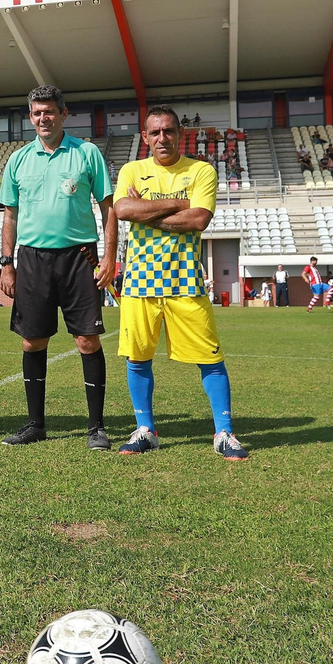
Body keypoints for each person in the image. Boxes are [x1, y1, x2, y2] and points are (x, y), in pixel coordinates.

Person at [111, 106, 247, 460]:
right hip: (139, 282)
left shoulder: (200, 170)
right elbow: (123, 211)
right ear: (145, 137)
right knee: (137, 359)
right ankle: (145, 429)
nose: (162, 138)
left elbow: (199, 219)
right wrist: (178, 204)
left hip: (186, 280)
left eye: (168, 131)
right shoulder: (132, 170)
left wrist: (150, 211)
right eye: (154, 132)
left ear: (180, 134)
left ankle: (224, 433)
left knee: (210, 359)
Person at [0, 85, 116, 449]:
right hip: (32, 258)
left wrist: (111, 255)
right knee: (33, 341)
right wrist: (6, 263)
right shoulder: (18, 159)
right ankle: (35, 424)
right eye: (36, 113)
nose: (43, 118)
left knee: (86, 339)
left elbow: (108, 207)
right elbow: (10, 215)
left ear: (64, 114)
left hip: (80, 256)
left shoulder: (87, 153)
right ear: (30, 117)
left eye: (49, 111)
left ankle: (96, 426)